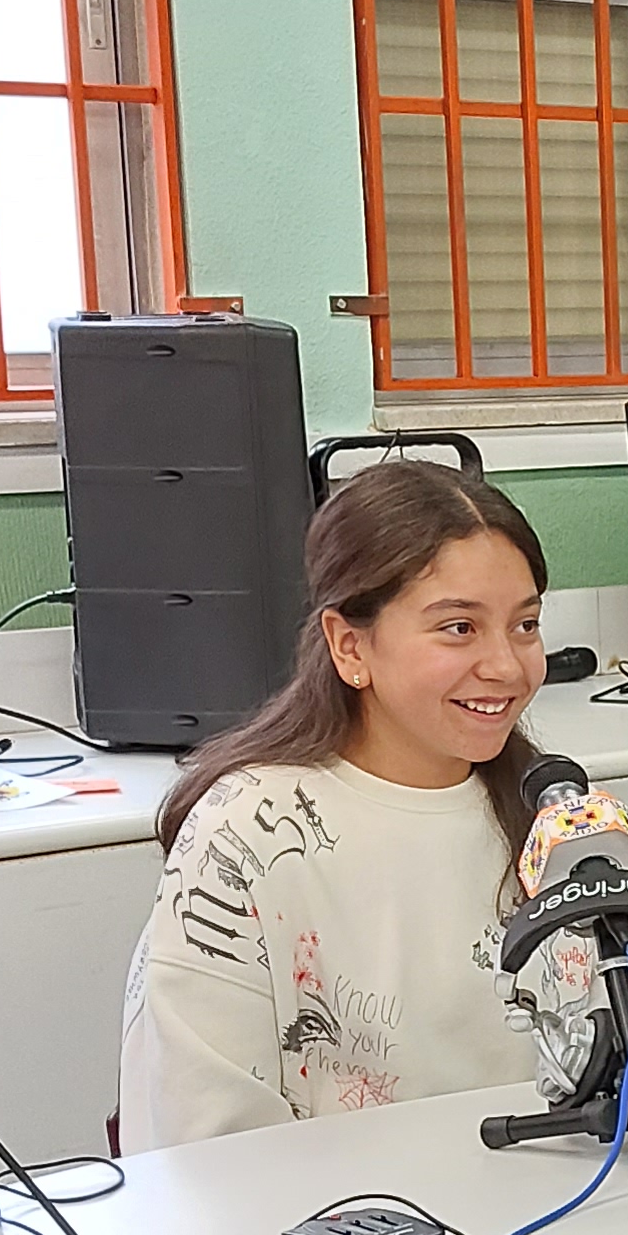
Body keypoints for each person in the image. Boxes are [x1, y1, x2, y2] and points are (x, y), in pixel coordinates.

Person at [122, 459, 577, 1151]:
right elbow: (203, 1140)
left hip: (576, 1224)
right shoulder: (248, 834)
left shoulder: (559, 816)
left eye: (525, 625)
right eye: (458, 628)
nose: (508, 667)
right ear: (349, 645)